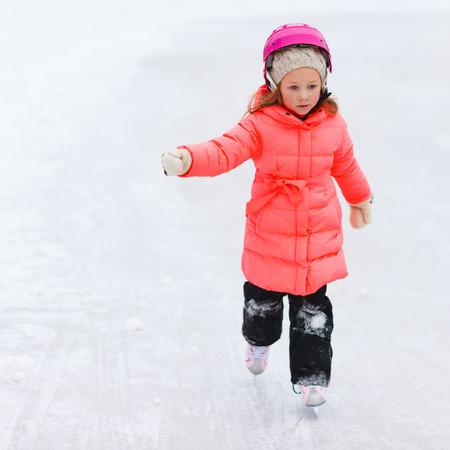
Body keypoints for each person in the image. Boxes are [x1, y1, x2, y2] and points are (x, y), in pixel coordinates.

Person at [161, 23, 373, 408]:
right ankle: (257, 343)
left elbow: (346, 166)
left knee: (314, 314)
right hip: (269, 236)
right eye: (293, 87)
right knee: (263, 304)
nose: (304, 95)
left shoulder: (334, 126)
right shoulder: (260, 124)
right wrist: (189, 159)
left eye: (312, 85)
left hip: (316, 239)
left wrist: (361, 198)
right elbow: (225, 150)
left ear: (324, 81)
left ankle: (312, 379)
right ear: (275, 84)